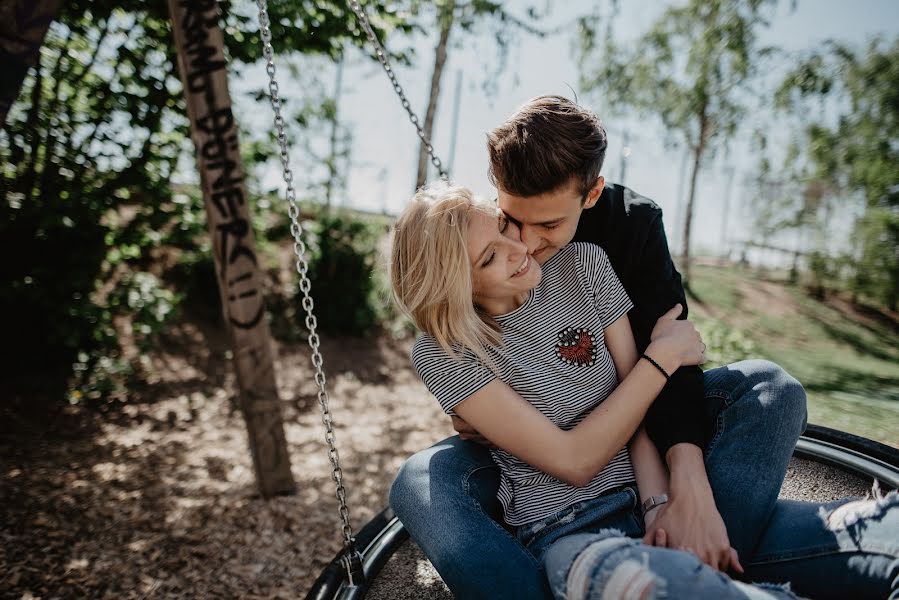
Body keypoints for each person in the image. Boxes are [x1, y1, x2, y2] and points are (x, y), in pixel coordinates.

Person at [388, 96, 898, 599]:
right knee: (599, 562)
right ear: (457, 282)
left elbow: (640, 406)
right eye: (504, 230)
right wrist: (662, 357)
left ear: (590, 197)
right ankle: (712, 574)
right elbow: (579, 454)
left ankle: (723, 553)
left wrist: (665, 503)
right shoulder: (446, 350)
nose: (524, 244)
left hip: (644, 497)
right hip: (570, 528)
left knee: (771, 389)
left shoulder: (588, 261)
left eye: (529, 228)